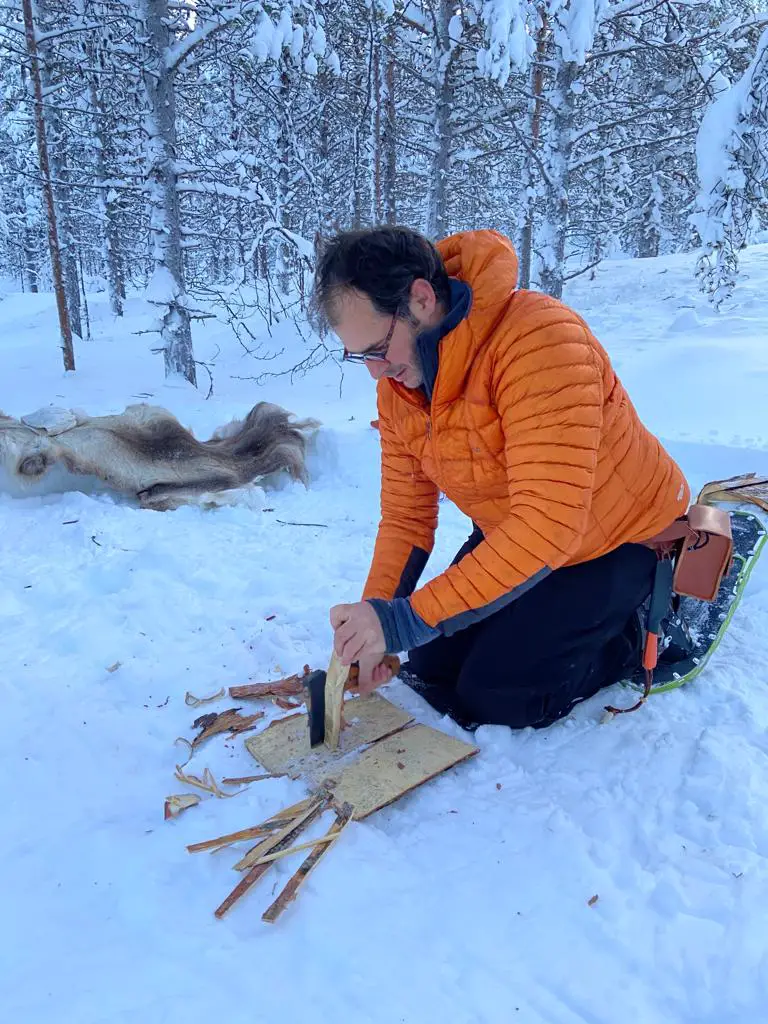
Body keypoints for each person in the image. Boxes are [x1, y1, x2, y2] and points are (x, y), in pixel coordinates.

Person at [311, 226, 690, 729]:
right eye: (361, 356)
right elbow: (406, 518)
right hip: (521, 535)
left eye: (378, 348)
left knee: (500, 697)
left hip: (620, 539)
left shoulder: (538, 340)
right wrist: (377, 621)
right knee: (431, 664)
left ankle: (642, 623)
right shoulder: (401, 387)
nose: (376, 373)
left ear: (421, 300)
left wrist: (402, 621)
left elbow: (548, 523)